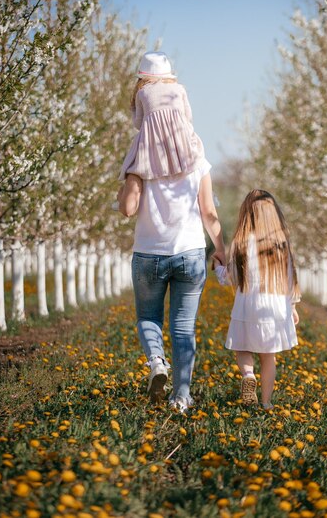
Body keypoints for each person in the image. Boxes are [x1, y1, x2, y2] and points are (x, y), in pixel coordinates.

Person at [118, 160, 225, 413]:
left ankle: (157, 361)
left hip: (149, 252)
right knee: (184, 327)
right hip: (190, 252)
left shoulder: (140, 159)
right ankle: (181, 398)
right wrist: (221, 248)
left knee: (148, 317)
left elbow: (127, 208)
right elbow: (208, 211)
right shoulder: (197, 158)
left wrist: (122, 192)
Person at [214, 190, 300, 410]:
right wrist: (292, 306)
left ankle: (248, 375)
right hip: (274, 309)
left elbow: (228, 278)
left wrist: (217, 266)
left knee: (243, 348)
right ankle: (266, 402)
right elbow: (290, 279)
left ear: (246, 214)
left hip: (247, 307)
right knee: (268, 357)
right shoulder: (282, 246)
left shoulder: (242, 244)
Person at [118, 51, 204, 182]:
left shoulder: (142, 93)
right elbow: (188, 117)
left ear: (142, 77)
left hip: (155, 148)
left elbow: (138, 124)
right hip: (181, 143)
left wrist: (134, 110)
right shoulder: (179, 89)